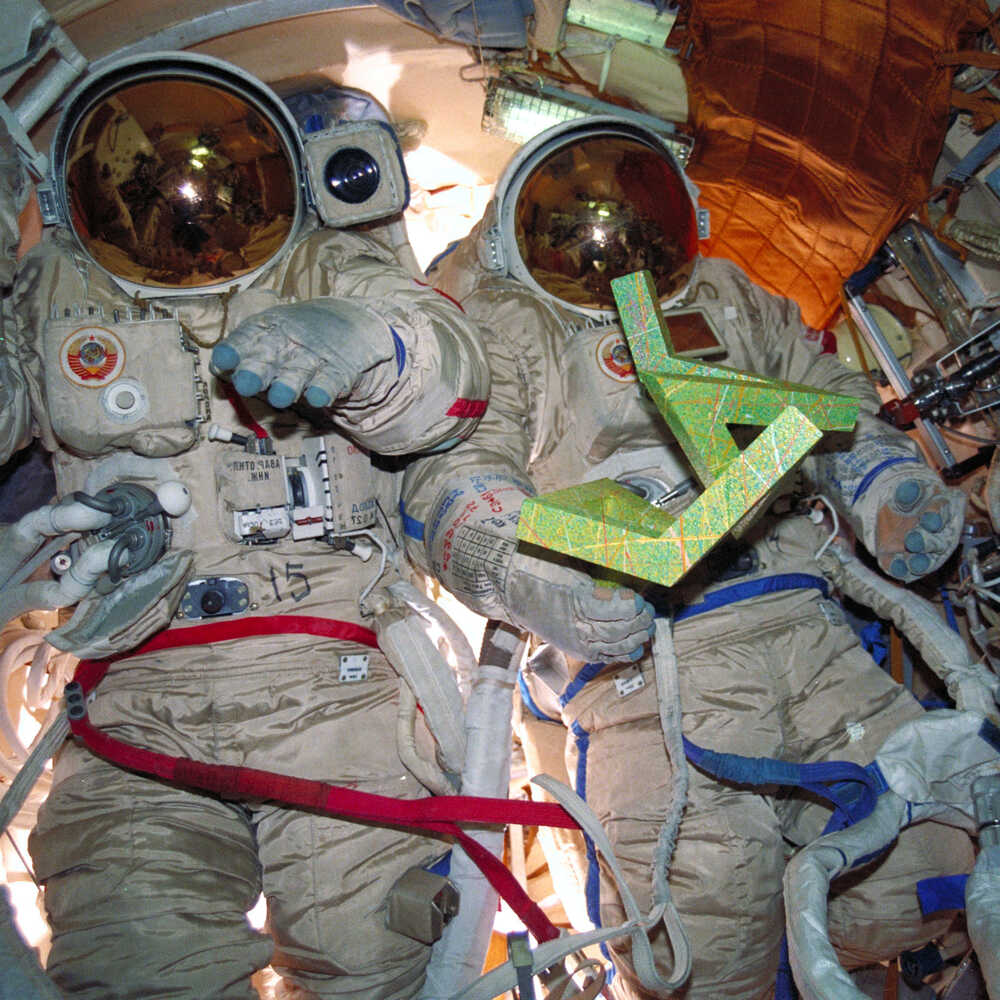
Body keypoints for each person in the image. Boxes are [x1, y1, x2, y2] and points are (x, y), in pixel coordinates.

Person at [400, 116, 976, 998]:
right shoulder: (498, 330)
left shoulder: (727, 297)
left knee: (930, 866)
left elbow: (826, 393)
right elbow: (454, 488)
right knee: (704, 931)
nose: (608, 240)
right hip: (653, 665)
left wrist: (878, 476)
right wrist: (554, 586)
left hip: (802, 616)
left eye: (631, 208)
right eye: (578, 219)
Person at [0, 52, 492, 999]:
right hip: (134, 694)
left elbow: (454, 377)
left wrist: (372, 345)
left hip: (338, 687)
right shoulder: (58, 287)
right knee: (138, 969)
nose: (190, 209)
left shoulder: (325, 260)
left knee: (373, 965)